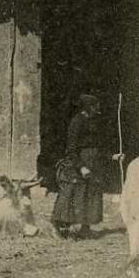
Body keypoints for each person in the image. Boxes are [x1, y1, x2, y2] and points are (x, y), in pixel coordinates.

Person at [52, 93, 107, 238]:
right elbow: (71, 149)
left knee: (91, 194)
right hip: (78, 163)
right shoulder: (77, 122)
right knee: (73, 193)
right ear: (88, 107)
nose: (98, 108)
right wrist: (81, 166)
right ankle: (61, 228)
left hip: (93, 163)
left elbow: (98, 144)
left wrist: (112, 156)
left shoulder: (95, 121)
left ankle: (85, 228)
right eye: (95, 106)